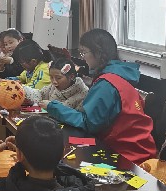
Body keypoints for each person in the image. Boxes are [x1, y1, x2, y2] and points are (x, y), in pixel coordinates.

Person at [45, 29, 156, 164]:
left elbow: (89, 124)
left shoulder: (106, 84)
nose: (83, 57)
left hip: (127, 157)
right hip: (139, 150)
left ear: (98, 53)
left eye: (84, 52)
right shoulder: (119, 75)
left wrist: (53, 107)